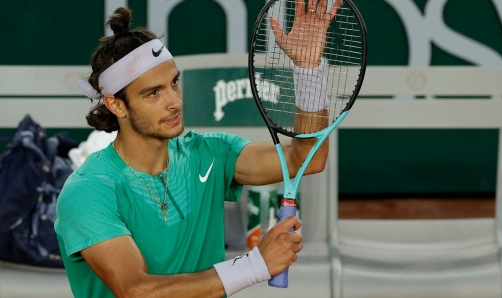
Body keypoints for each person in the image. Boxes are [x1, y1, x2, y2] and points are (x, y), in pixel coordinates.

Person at [55, 0, 341, 297]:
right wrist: (255, 265)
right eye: (153, 93)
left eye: (174, 83)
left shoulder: (210, 153)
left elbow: (307, 158)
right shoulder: (89, 191)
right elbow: (136, 291)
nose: (174, 101)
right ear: (116, 104)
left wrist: (308, 71)